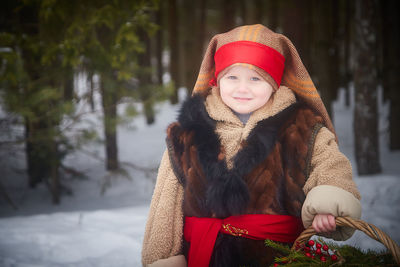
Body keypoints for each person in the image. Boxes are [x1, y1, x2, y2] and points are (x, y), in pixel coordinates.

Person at [142, 24, 361, 267]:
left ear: (275, 82)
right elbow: (166, 203)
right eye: (232, 77)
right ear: (217, 80)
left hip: (279, 257)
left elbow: (331, 166)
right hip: (205, 257)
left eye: (256, 78)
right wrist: (163, 256)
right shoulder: (188, 134)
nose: (242, 88)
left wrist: (327, 202)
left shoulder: (301, 128)